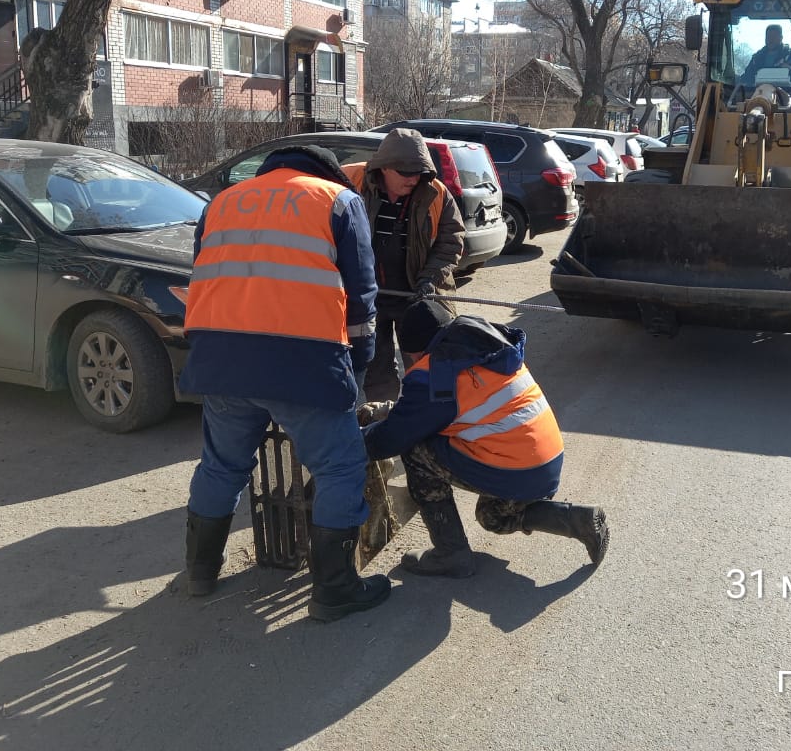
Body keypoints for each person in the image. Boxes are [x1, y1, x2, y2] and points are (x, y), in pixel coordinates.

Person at [179, 145, 390, 624]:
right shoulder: (338, 200)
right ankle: (335, 589)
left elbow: (206, 274)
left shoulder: (223, 201)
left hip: (221, 360)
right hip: (304, 361)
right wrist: (356, 371)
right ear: (329, 173)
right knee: (338, 469)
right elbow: (360, 298)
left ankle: (200, 570)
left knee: (221, 467)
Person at [359, 300, 609, 578]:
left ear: (416, 349)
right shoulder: (484, 350)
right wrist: (387, 412)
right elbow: (440, 410)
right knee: (493, 516)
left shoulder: (435, 372)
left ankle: (450, 554)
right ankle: (576, 520)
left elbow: (394, 437)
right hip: (544, 463)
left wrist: (350, 444)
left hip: (515, 469)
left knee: (416, 450)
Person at [343, 128, 465, 402]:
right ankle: (381, 418)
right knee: (376, 365)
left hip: (417, 294)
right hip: (367, 298)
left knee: (427, 366)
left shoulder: (436, 194)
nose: (413, 179)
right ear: (384, 168)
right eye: (406, 173)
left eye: (418, 173)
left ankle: (423, 421)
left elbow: (451, 243)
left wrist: (429, 281)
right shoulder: (351, 181)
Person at [739, 23, 791, 88]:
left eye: (774, 37)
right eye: (768, 36)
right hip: (759, 95)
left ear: (781, 38)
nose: (771, 39)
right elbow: (747, 77)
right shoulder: (756, 58)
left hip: (790, 94)